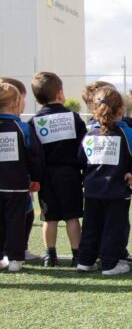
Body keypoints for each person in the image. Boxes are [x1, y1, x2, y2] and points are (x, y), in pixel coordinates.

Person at [76, 85, 132, 275]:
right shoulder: (127, 133)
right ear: (121, 111)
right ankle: (110, 264)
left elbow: (80, 158)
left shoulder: (89, 135)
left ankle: (85, 261)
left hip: (93, 190)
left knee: (91, 226)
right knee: (114, 227)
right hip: (117, 192)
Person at [29, 72, 87, 267]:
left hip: (45, 176)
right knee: (72, 217)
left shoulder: (34, 122)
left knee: (49, 218)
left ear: (37, 99)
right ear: (60, 93)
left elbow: (33, 153)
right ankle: (77, 254)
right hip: (70, 174)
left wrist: (34, 177)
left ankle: (49, 255)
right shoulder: (74, 118)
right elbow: (83, 148)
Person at [0, 83, 43, 272]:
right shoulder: (22, 127)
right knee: (15, 221)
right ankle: (16, 259)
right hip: (16, 185)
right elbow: (35, 155)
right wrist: (36, 177)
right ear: (17, 102)